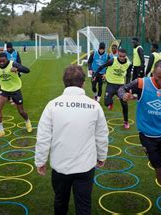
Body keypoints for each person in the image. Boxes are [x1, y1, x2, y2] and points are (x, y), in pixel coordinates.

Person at [35, 64, 108, 215]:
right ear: (83, 83)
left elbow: (43, 137)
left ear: (64, 82)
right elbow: (102, 136)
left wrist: (40, 161)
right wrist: (102, 156)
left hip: (61, 166)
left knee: (60, 202)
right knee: (83, 206)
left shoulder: (52, 105)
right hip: (85, 166)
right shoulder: (94, 106)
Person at [118, 60, 161, 212]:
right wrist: (123, 96)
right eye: (159, 77)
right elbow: (122, 88)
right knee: (159, 169)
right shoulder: (141, 83)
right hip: (147, 136)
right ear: (153, 74)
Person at [0, 52, 33, 140]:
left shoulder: (13, 64)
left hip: (15, 90)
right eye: (0, 61)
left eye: (3, 61)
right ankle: (1, 131)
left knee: (21, 112)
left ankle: (27, 121)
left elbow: (27, 70)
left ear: (7, 60)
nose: (1, 63)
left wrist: (17, 69)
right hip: (4, 90)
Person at [94, 48, 132, 129]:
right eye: (120, 56)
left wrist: (127, 86)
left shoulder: (128, 64)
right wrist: (95, 75)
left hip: (121, 86)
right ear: (118, 54)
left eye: (123, 56)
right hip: (110, 84)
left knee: (124, 104)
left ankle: (126, 121)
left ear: (126, 56)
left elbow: (129, 75)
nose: (122, 58)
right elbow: (102, 66)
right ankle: (110, 103)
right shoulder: (112, 61)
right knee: (106, 103)